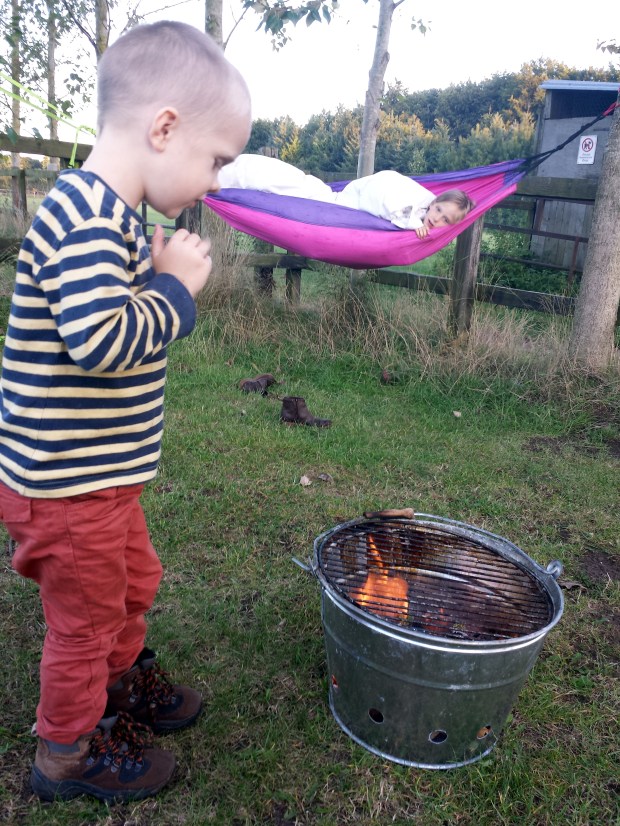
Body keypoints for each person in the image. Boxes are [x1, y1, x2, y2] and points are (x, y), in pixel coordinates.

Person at [0, 21, 251, 804]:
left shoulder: (114, 217)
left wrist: (152, 270)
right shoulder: (85, 216)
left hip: (101, 478)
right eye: (216, 161)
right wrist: (175, 288)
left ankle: (120, 680)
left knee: (133, 583)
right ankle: (67, 753)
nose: (213, 182)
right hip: (66, 488)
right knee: (83, 619)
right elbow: (103, 341)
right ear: (163, 127)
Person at [218, 155, 475, 237]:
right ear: (435, 201)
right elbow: (385, 188)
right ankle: (224, 172)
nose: (437, 219)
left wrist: (415, 226)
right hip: (335, 202)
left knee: (283, 186)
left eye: (446, 221)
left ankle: (224, 174)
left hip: (337, 205)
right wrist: (413, 224)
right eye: (439, 210)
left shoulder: (420, 219)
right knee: (282, 182)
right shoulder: (416, 204)